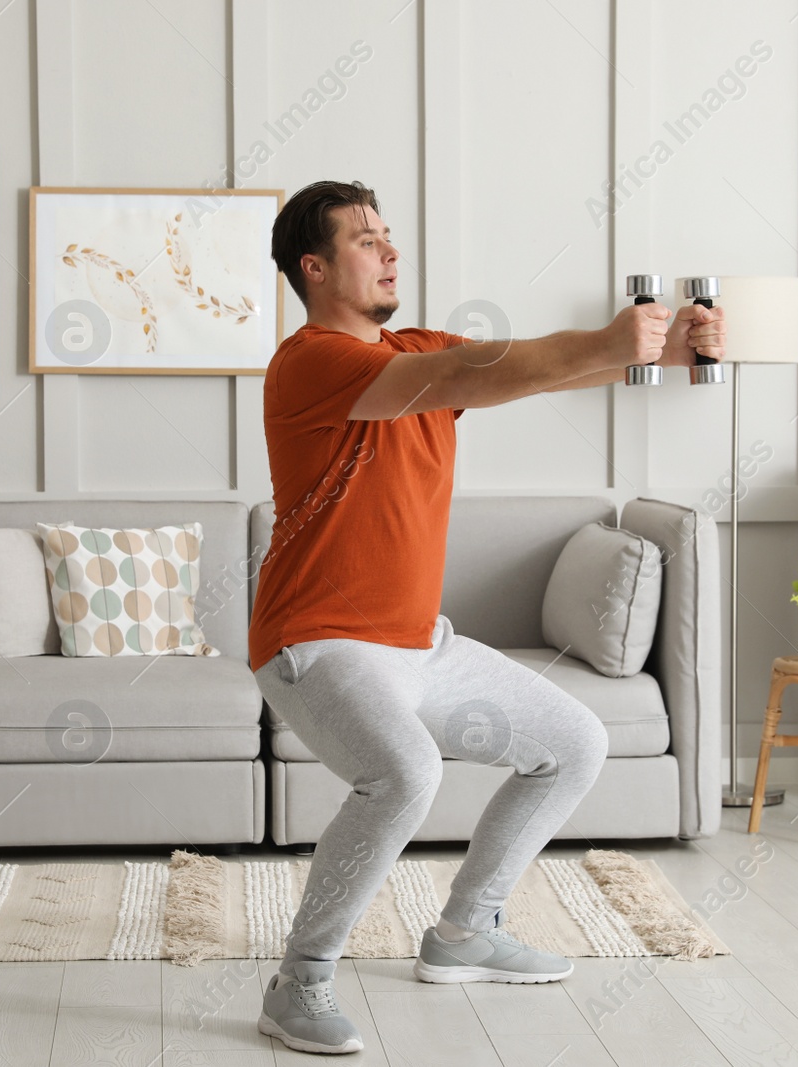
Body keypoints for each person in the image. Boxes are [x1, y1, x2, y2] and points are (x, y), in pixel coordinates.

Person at [248, 180, 727, 1055]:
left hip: (418, 643)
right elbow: (471, 371)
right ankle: (299, 981)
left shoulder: (421, 348)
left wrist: (675, 350)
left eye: (390, 234)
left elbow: (529, 372)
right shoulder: (309, 361)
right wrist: (610, 340)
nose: (391, 249)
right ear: (313, 268)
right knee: (405, 775)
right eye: (365, 239)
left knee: (574, 742)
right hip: (313, 640)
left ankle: (466, 931)